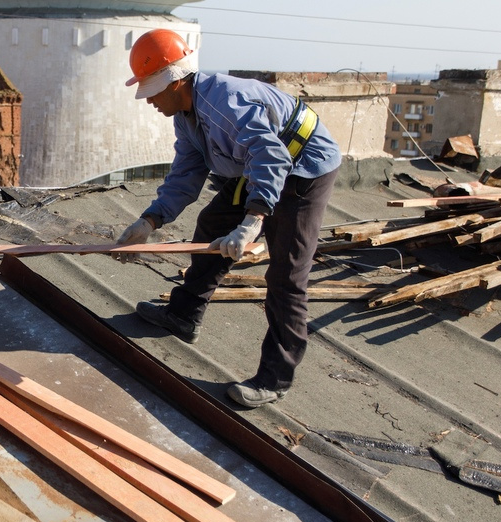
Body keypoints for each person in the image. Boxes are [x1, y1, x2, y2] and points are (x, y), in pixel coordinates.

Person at [116, 28, 342, 408]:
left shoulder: (225, 103)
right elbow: (187, 173)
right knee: (212, 224)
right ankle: (184, 315)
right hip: (253, 168)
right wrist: (151, 221)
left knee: (286, 277)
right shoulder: (186, 115)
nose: (148, 100)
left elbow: (273, 158)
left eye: (151, 90)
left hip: (303, 167)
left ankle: (274, 379)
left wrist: (253, 222)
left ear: (174, 83)